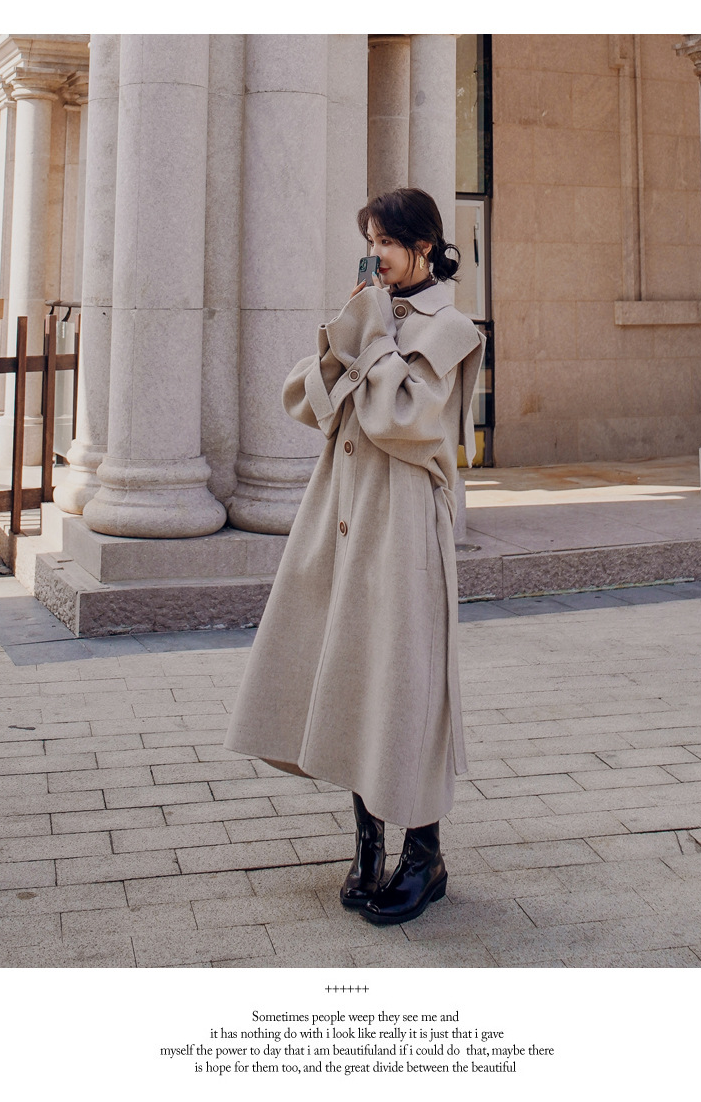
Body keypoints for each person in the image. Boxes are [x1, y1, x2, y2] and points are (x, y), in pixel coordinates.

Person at [225, 187, 486, 925]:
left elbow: (403, 419)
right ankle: (368, 845)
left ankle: (424, 856)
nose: (375, 257)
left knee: (405, 681)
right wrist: (350, 331)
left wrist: (370, 337)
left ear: (424, 247)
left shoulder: (451, 327)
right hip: (340, 512)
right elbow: (305, 402)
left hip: (402, 521)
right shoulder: (374, 313)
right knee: (349, 673)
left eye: (387, 244)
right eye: (369, 243)